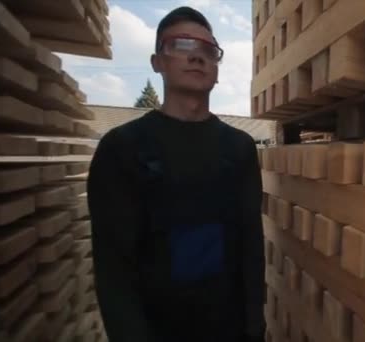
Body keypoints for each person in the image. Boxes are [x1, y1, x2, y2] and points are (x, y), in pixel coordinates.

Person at [87, 6, 265, 342]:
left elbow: (251, 249)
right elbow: (114, 272)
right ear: (158, 62)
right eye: (182, 45)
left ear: (216, 67)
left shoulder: (240, 148)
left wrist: (255, 329)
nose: (197, 56)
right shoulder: (121, 149)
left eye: (208, 50)